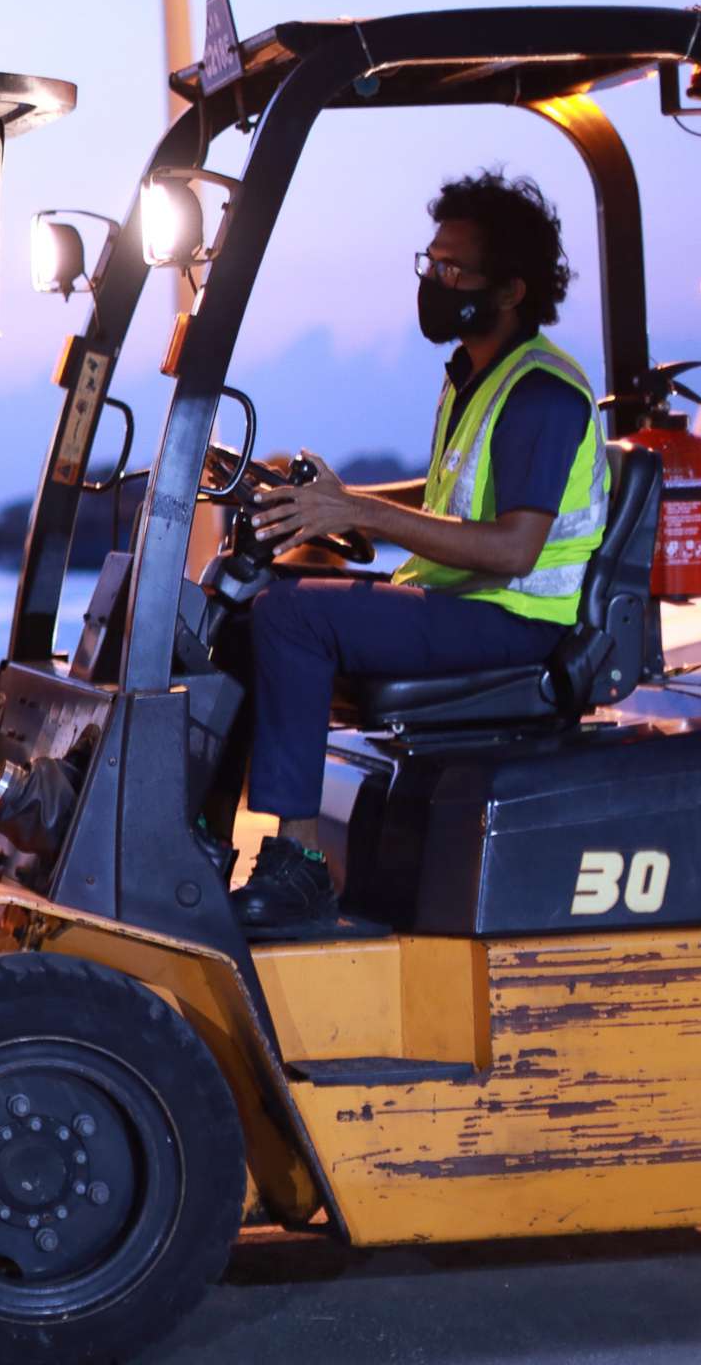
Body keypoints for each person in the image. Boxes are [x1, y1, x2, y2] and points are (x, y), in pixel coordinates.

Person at [233, 171, 604, 935]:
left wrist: (358, 510)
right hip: (468, 602)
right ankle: (202, 840)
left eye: (452, 270)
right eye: (428, 264)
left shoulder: (539, 393)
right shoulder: (475, 378)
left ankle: (299, 869)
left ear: (509, 291)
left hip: (516, 620)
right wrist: (334, 503)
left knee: (292, 619)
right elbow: (446, 504)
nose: (434, 281)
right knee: (241, 608)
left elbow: (515, 547)